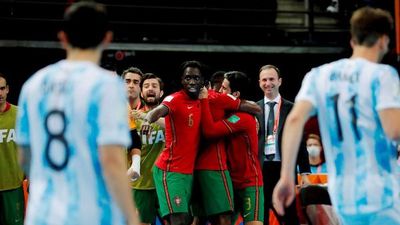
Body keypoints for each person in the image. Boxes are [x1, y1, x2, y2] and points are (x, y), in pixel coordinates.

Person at [273, 6, 400, 225]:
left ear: (353, 40)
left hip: (343, 195)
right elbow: (394, 129)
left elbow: (293, 120)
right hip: (382, 194)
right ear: (383, 40)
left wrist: (286, 176)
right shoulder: (383, 75)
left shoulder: (319, 75)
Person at [15, 2, 139, 225]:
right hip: (91, 214)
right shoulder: (106, 86)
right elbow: (111, 160)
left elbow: (24, 156)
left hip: (42, 214)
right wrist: (130, 217)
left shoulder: (34, 85)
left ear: (62, 37)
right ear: (107, 38)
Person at [141, 60, 204, 225]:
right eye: (187, 78)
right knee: (179, 220)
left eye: (196, 78)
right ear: (182, 80)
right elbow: (159, 110)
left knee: (188, 219)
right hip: (170, 170)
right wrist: (148, 119)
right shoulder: (174, 99)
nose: (191, 82)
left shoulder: (202, 101)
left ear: (202, 81)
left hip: (190, 172)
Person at [193, 72, 261, 225]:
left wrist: (204, 101)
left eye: (223, 88)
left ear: (235, 94)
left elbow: (210, 131)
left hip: (248, 181)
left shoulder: (241, 118)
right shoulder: (225, 112)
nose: (219, 92)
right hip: (232, 180)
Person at [255, 64, 310, 225]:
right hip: (261, 170)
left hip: (284, 170)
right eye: (264, 80)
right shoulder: (253, 109)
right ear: (259, 82)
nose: (268, 83)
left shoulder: (292, 108)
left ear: (280, 81)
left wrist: (305, 172)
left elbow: (300, 142)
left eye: (271, 79)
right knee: (260, 218)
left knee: (290, 218)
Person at [131, 73, 166, 225]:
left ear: (161, 92)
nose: (150, 89)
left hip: (166, 183)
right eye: (146, 86)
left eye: (154, 86)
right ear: (141, 92)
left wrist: (147, 117)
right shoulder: (132, 118)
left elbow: (175, 125)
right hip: (141, 184)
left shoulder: (171, 116)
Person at [0, 73, 24, 225]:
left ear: (7, 89)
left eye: (1, 88)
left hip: (13, 186)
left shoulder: (20, 115)